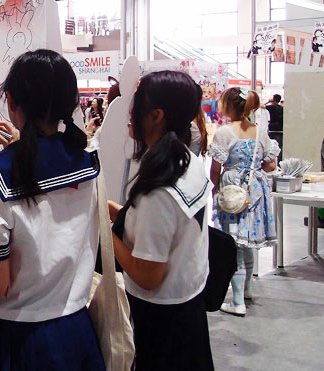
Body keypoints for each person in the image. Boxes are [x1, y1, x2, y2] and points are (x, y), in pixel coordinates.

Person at [0, 49, 105, 370]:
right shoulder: (88, 165)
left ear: (11, 101)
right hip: (79, 332)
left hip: (25, 341)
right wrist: (20, 146)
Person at [108, 71, 214, 371]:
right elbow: (164, 226)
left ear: (156, 115)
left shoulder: (159, 191)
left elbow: (148, 276)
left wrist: (103, 231)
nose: (130, 111)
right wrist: (112, 210)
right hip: (188, 305)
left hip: (162, 322)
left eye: (136, 104)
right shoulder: (186, 161)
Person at [209, 87, 280, 317]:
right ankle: (247, 289)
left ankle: (237, 301)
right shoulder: (259, 131)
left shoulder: (224, 133)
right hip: (255, 191)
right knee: (246, 242)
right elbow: (271, 165)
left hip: (232, 191)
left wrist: (215, 189)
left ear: (229, 106)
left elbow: (215, 170)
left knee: (234, 245)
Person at [265, 93, 284, 161]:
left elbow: (261, 106)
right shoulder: (282, 108)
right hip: (281, 130)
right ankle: (279, 162)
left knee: (272, 149)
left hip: (273, 130)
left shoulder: (271, 107)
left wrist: (268, 101)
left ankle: (274, 162)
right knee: (279, 148)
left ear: (273, 99)